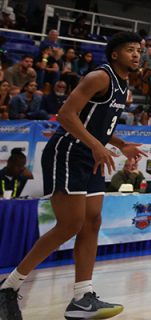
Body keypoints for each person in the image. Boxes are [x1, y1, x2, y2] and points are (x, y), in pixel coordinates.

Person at [0, 31, 143, 319]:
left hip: (90, 154)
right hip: (68, 152)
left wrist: (119, 144)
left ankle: (82, 297)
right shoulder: (99, 77)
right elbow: (66, 115)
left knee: (92, 221)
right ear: (115, 54)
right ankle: (8, 287)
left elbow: (99, 125)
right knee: (71, 224)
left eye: (139, 50)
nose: (137, 54)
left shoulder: (123, 83)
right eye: (130, 50)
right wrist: (96, 145)